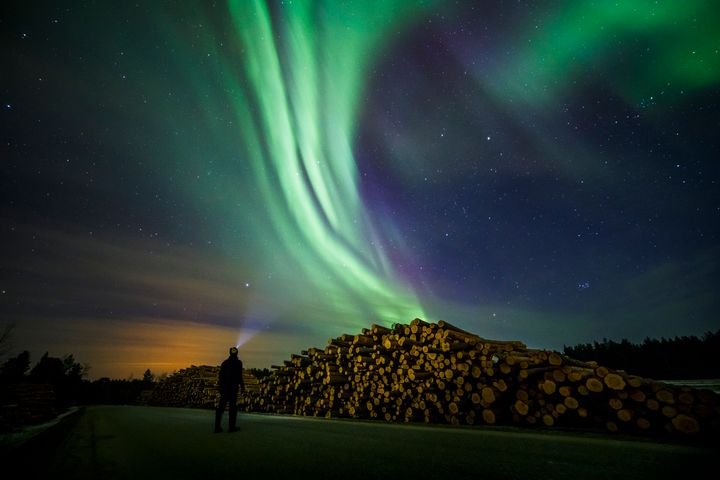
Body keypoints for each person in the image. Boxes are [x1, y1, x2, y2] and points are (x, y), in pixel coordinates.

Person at [214, 346, 245, 433]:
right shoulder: (239, 363)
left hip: (224, 388)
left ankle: (217, 427)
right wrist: (242, 387)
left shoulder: (224, 363)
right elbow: (239, 376)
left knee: (220, 408)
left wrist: (220, 388)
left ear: (229, 353)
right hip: (233, 389)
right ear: (237, 353)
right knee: (232, 408)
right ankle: (231, 427)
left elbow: (220, 377)